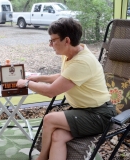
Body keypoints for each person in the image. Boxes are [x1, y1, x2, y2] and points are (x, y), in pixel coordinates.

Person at [17, 18, 117, 160]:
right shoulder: (71, 53)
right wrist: (38, 78)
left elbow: (50, 92)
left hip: (99, 115)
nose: (50, 44)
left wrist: (26, 84)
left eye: (53, 40)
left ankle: (42, 157)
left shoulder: (82, 62)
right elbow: (64, 76)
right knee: (58, 136)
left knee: (49, 119)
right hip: (84, 110)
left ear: (67, 40)